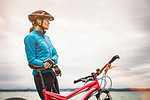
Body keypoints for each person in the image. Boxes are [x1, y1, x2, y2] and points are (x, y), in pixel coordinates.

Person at [24, 10, 61, 100]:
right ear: (38, 21)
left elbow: (55, 54)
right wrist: (44, 64)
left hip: (51, 74)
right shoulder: (30, 37)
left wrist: (52, 61)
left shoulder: (47, 38)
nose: (49, 22)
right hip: (41, 75)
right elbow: (31, 60)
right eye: (46, 20)